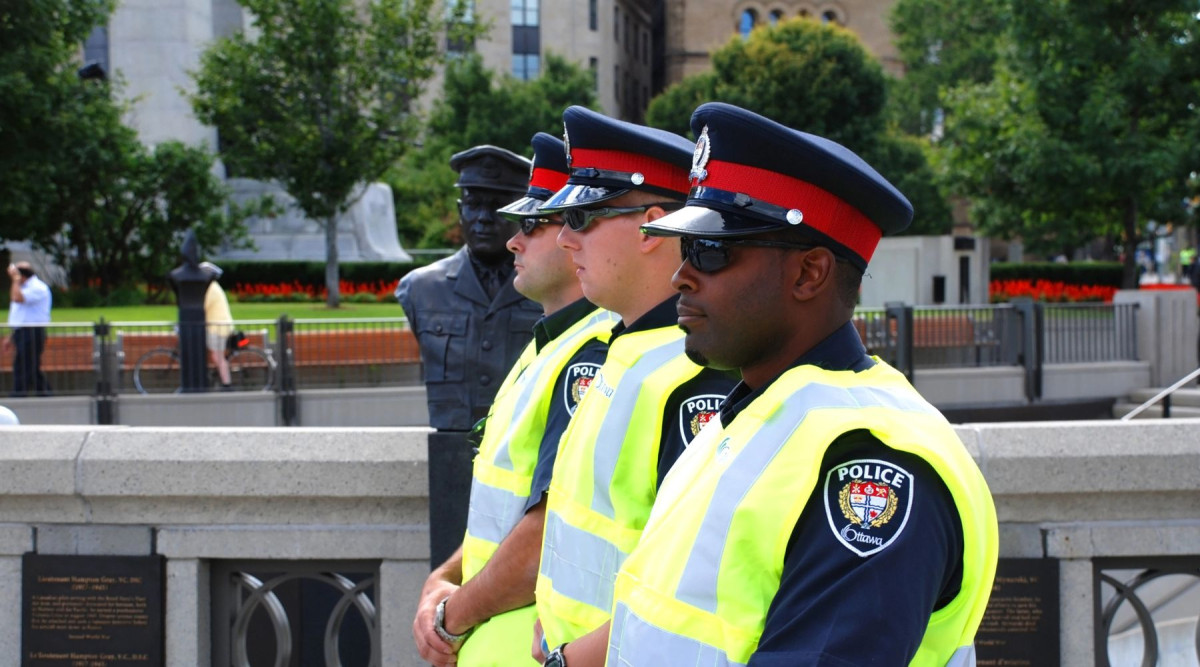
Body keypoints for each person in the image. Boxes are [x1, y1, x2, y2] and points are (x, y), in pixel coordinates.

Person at [550, 103, 999, 667]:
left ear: (809, 273)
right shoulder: (755, 413)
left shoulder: (870, 463)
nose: (680, 274)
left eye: (711, 251)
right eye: (687, 248)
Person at [532, 106, 738, 660]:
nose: (564, 241)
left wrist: (568, 658)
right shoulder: (626, 346)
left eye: (581, 220)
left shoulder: (696, 374)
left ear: (651, 226)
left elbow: (690, 579)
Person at [412, 133, 618, 667]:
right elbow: (507, 513)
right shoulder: (548, 344)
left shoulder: (591, 355)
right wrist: (447, 576)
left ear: (575, 237)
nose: (511, 240)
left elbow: (547, 527)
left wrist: (450, 616)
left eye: (532, 224)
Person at [396, 145, 543, 431]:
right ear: (459, 209)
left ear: (524, 214)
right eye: (474, 204)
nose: (484, 218)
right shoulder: (420, 288)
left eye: (498, 206)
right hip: (448, 449)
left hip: (522, 446)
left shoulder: (547, 287)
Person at [5, 262, 52, 397]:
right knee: (28, 364)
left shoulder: (37, 288)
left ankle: (19, 393)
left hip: (32, 331)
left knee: (25, 364)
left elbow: (17, 298)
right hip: (21, 331)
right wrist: (11, 336)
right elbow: (19, 314)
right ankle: (44, 392)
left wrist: (15, 280)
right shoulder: (22, 287)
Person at [199, 261, 233, 390]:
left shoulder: (210, 289)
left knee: (217, 355)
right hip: (219, 326)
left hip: (218, 327)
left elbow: (202, 307)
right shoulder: (213, 287)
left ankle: (227, 384)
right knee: (215, 354)